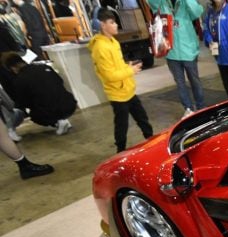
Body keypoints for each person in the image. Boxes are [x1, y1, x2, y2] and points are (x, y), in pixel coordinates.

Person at [89, 8, 153, 153]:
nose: (116, 25)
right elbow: (109, 75)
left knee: (142, 119)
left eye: (115, 22)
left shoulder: (113, 42)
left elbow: (117, 66)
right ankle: (120, 150)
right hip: (117, 94)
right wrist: (130, 71)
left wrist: (127, 66)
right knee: (122, 125)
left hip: (128, 90)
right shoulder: (100, 47)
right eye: (112, 23)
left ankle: (152, 142)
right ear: (103, 25)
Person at [147, 0, 205, 118]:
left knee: (195, 81)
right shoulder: (162, 3)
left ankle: (201, 107)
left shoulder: (185, 3)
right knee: (180, 83)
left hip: (188, 50)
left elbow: (197, 12)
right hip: (171, 52)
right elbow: (151, 3)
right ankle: (188, 109)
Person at [2, 51, 76, 135]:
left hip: (51, 111)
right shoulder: (44, 66)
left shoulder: (19, 80)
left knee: (35, 115)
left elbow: (24, 102)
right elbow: (60, 81)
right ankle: (63, 120)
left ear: (12, 68)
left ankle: (58, 122)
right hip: (70, 104)